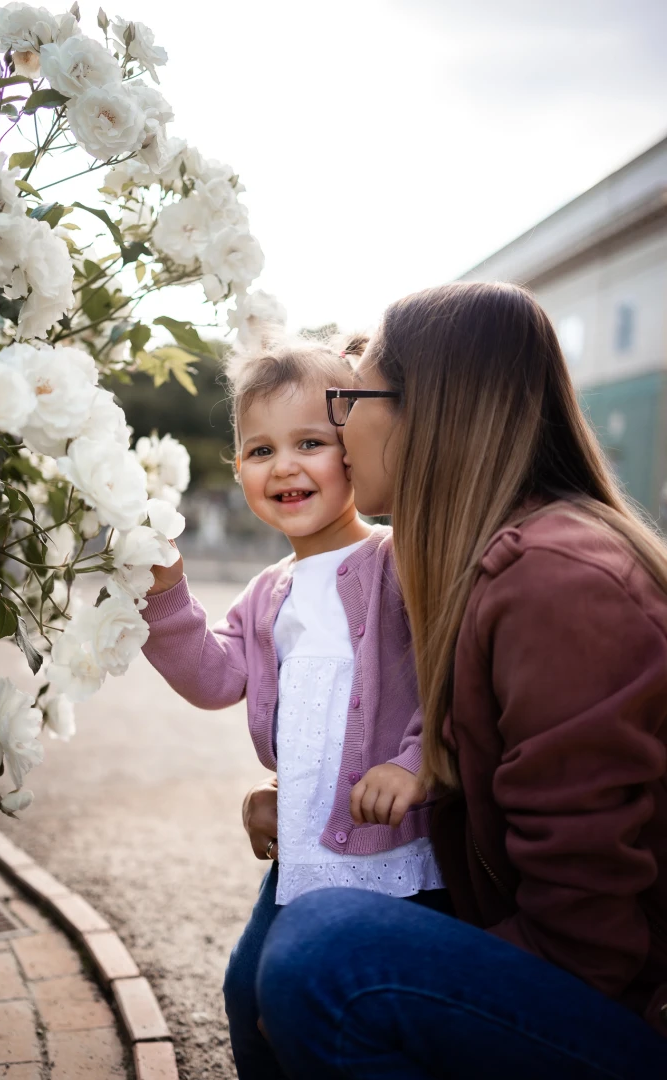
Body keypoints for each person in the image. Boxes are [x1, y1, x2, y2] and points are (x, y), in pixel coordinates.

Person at [248, 282, 667, 1079]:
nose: (337, 428)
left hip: (634, 1016)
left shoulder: (559, 583)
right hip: (588, 978)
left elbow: (587, 942)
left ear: (422, 410)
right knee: (279, 934)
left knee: (326, 955)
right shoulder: (478, 564)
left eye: (351, 398)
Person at [141, 336, 450, 1079]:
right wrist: (163, 596)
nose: (283, 466)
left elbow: (451, 673)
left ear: (354, 450)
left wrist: (415, 761)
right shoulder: (267, 591)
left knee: (350, 1016)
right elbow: (215, 678)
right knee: (247, 996)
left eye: (310, 442)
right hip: (304, 853)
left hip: (398, 855)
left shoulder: (395, 560)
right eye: (259, 449)